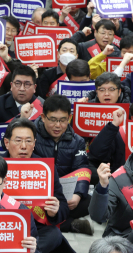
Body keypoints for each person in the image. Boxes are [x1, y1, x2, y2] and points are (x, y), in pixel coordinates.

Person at [1, 118, 75, 253]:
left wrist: (55, 210)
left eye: (28, 141)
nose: (23, 146)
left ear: (34, 144)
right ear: (7, 143)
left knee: (54, 234)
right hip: (2, 226)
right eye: (18, 141)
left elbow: (62, 205)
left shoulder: (45, 167)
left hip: (36, 229)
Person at [34, 94, 92, 236]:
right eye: (53, 120)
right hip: (37, 193)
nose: (58, 125)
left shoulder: (77, 140)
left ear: (69, 118)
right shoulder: (31, 136)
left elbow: (81, 168)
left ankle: (58, 220)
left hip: (62, 193)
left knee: (89, 201)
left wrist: (77, 194)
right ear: (43, 117)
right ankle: (68, 224)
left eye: (63, 120)